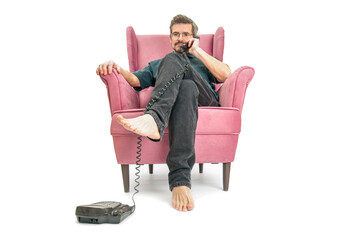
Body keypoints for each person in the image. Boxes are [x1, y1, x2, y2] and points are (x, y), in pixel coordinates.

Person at [96, 14, 231, 212]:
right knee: (186, 88)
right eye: (176, 34)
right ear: (170, 38)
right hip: (187, 97)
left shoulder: (203, 59)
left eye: (186, 34)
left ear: (194, 37)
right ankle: (180, 182)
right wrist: (116, 68)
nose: (180, 38)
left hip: (206, 99)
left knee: (178, 64)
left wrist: (197, 51)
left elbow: (226, 75)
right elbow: (134, 80)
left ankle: (154, 118)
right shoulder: (158, 64)